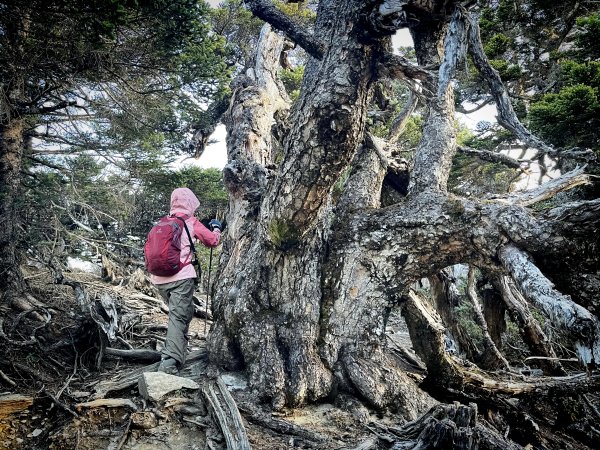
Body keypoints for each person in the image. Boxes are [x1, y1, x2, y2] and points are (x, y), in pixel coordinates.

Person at [150, 187, 221, 374]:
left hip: (158, 279)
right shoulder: (190, 221)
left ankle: (178, 353)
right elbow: (212, 241)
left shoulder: (163, 222)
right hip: (181, 277)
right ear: (190, 203)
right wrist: (216, 228)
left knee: (183, 313)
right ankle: (169, 363)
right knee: (178, 318)